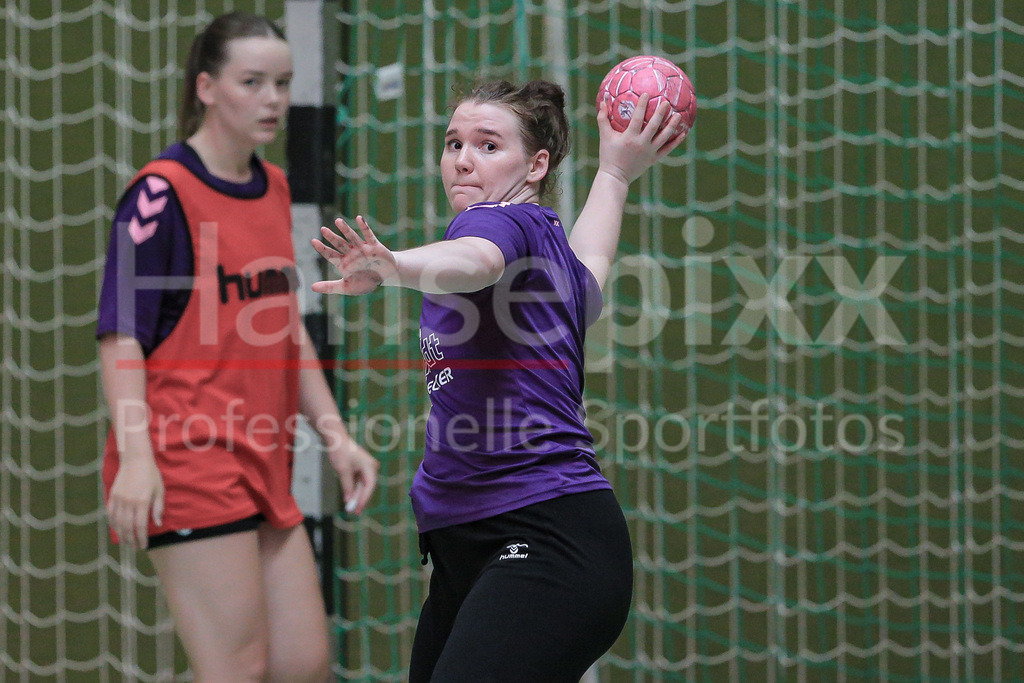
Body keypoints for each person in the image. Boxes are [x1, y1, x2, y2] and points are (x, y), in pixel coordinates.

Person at [311, 80, 686, 681]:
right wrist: (615, 173)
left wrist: (396, 266)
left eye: (488, 146)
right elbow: (592, 267)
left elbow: (474, 262)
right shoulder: (548, 248)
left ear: (535, 165)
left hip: (543, 536)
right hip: (478, 549)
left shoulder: (496, 225)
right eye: (454, 142)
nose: (463, 158)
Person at [96, 12, 378, 682]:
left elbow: (285, 334)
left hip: (261, 456)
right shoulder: (161, 194)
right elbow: (120, 336)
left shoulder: (275, 188)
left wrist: (336, 435)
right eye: (252, 82)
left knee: (302, 663)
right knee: (237, 669)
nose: (273, 99)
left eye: (281, 82)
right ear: (207, 87)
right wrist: (137, 454)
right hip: (185, 458)